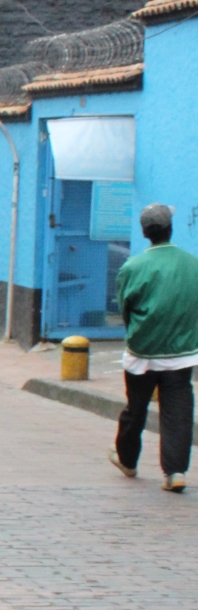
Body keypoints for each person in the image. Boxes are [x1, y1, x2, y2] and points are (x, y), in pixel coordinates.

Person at [110, 202, 198, 493]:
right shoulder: (192, 264)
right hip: (181, 353)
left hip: (143, 353)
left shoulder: (132, 267)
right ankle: (175, 472)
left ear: (145, 232)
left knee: (136, 409)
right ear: (170, 229)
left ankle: (127, 460)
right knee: (178, 413)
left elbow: (125, 308)